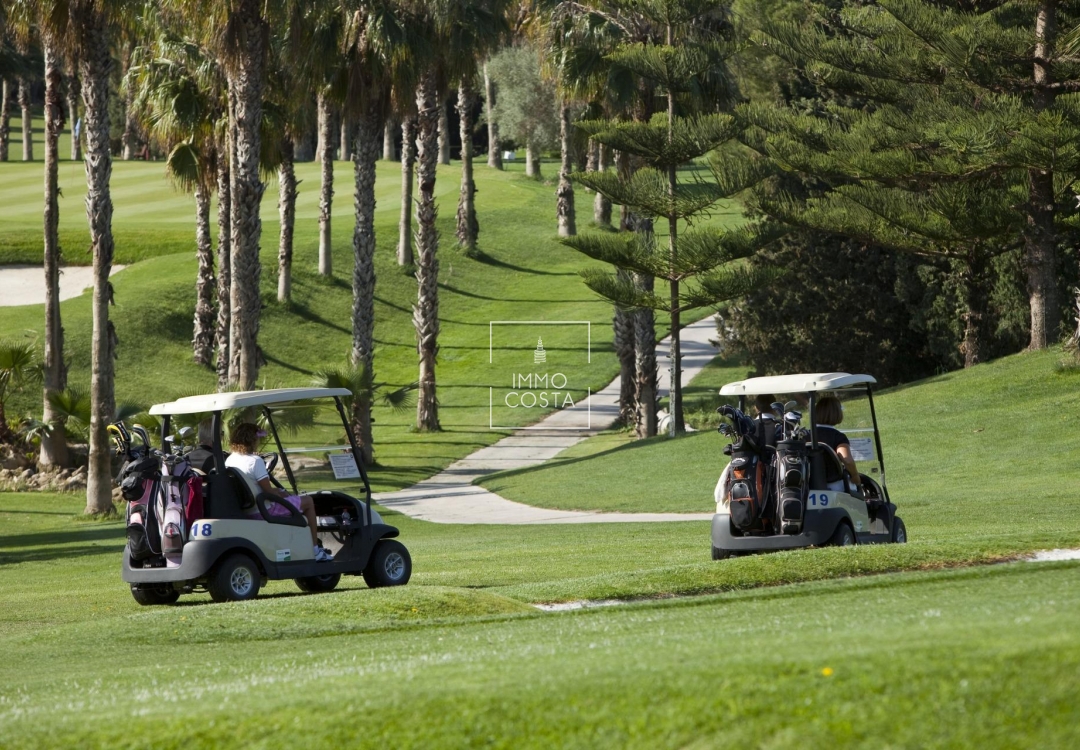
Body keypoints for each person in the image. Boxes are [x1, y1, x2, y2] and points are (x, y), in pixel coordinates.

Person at [225, 422, 332, 562]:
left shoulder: (230, 460)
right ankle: (315, 550)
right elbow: (269, 492)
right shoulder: (255, 461)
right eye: (257, 439)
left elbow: (257, 487)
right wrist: (282, 494)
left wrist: (279, 492)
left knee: (287, 496)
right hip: (264, 510)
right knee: (308, 502)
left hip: (248, 509)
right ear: (252, 440)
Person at [814, 396, 862, 490]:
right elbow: (847, 460)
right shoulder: (837, 436)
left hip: (810, 486)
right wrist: (855, 476)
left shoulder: (805, 435)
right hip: (834, 485)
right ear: (836, 413)